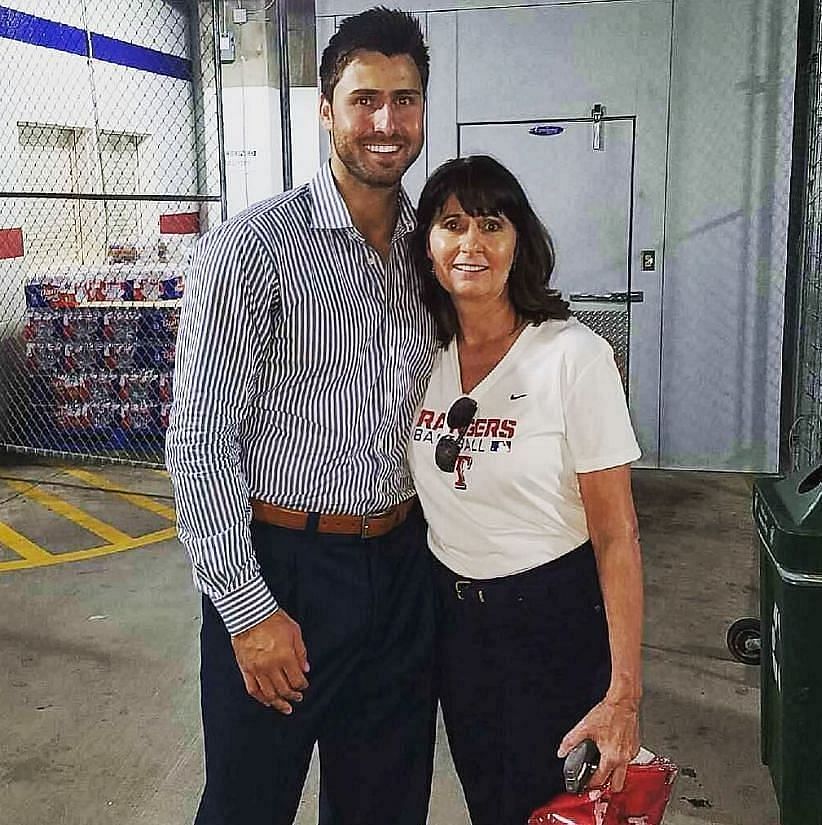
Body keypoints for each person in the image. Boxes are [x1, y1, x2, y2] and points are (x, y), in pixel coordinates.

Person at [166, 9, 438, 825]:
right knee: (248, 805)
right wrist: (247, 610)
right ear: (326, 110)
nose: (386, 123)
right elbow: (199, 440)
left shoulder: (435, 250)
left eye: (405, 99)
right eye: (364, 100)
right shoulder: (254, 248)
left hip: (402, 569)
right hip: (284, 566)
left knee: (385, 807)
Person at [407, 155, 644, 825]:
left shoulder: (574, 357)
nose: (472, 243)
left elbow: (617, 534)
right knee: (493, 802)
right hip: (454, 623)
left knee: (560, 807)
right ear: (428, 246)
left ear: (520, 244)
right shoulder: (425, 352)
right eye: (452, 224)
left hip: (552, 620)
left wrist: (624, 693)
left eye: (491, 223)